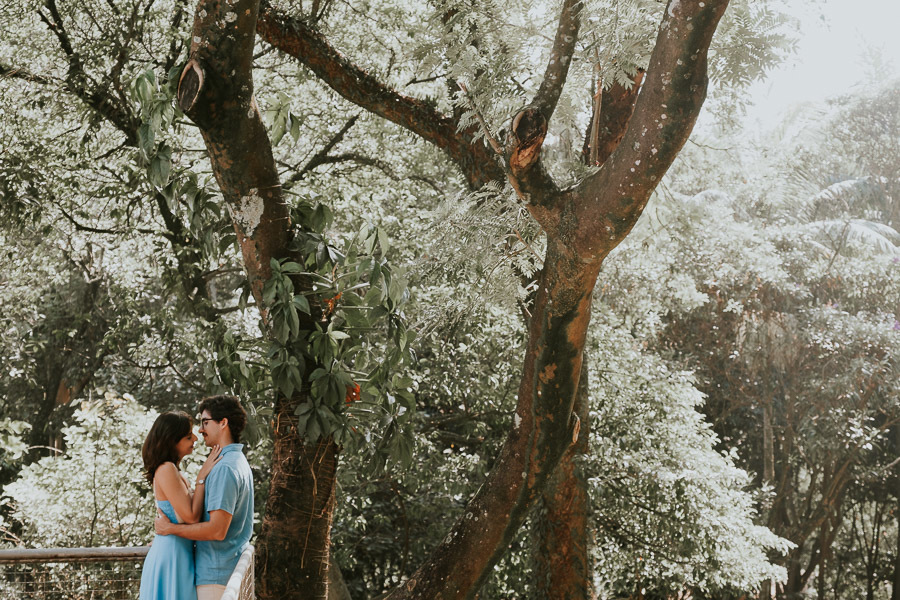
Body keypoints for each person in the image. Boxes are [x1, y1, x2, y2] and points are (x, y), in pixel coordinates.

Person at [155, 396, 254, 600]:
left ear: (223, 423)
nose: (200, 430)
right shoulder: (237, 461)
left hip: (216, 578)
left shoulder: (225, 468)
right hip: (222, 572)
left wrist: (170, 529)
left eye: (205, 422)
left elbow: (217, 530)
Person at [140, 411, 221, 600]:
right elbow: (191, 517)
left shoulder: (173, 470)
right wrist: (202, 477)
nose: (195, 438)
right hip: (172, 556)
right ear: (171, 441)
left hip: (177, 551)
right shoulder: (166, 469)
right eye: (187, 436)